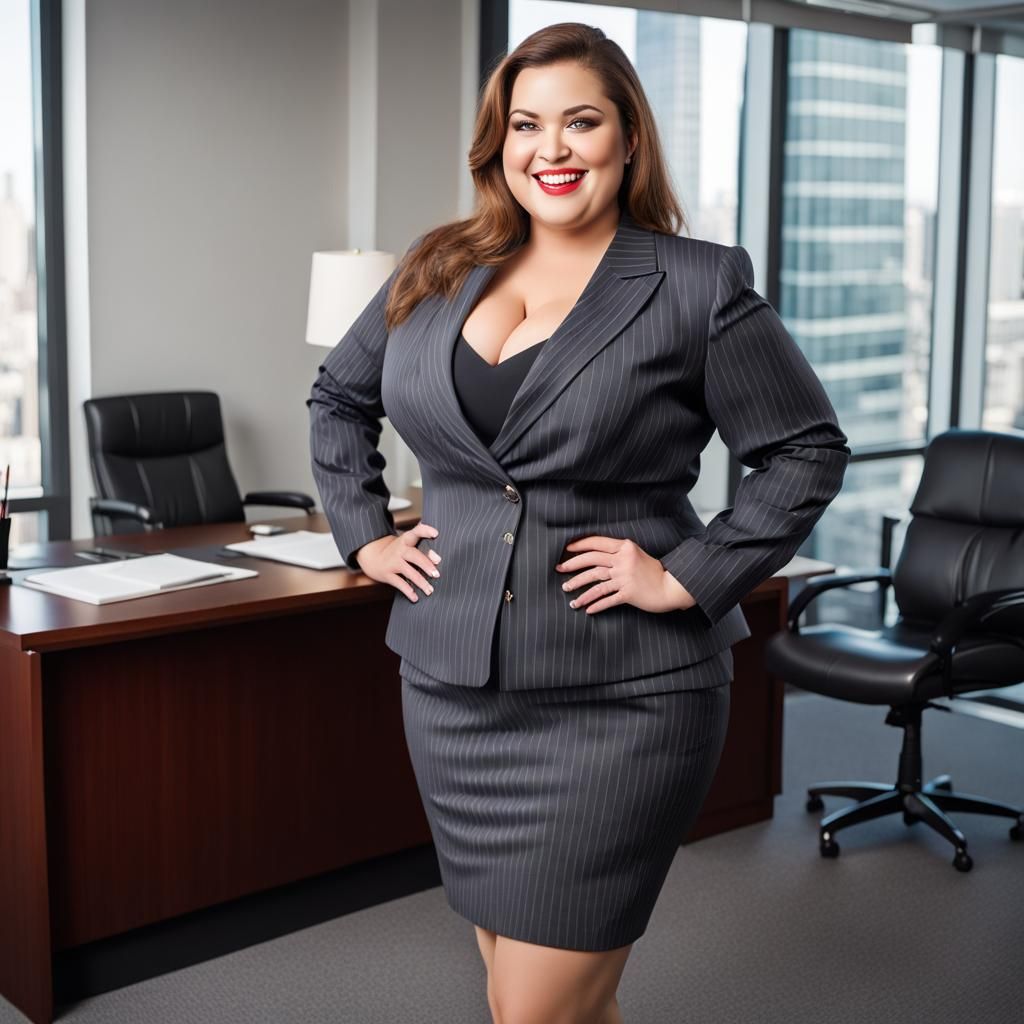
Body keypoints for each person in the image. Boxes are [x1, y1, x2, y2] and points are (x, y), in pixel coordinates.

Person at [308, 21, 850, 1024]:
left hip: (623, 696)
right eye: (526, 125)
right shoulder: (432, 269)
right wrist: (365, 532)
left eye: (580, 122)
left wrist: (686, 573)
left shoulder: (694, 283)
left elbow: (804, 449)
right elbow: (338, 398)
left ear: (627, 137)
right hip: (451, 690)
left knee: (530, 1009)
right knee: (541, 994)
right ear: (497, 144)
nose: (550, 149)